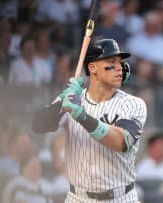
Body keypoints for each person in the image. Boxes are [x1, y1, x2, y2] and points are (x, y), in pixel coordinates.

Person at [32, 38, 147, 202]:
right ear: (93, 68)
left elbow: (122, 142)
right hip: (78, 197)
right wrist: (59, 105)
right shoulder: (74, 98)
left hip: (120, 197)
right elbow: (37, 126)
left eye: (120, 63)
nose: (120, 68)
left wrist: (82, 116)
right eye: (111, 62)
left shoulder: (134, 104)